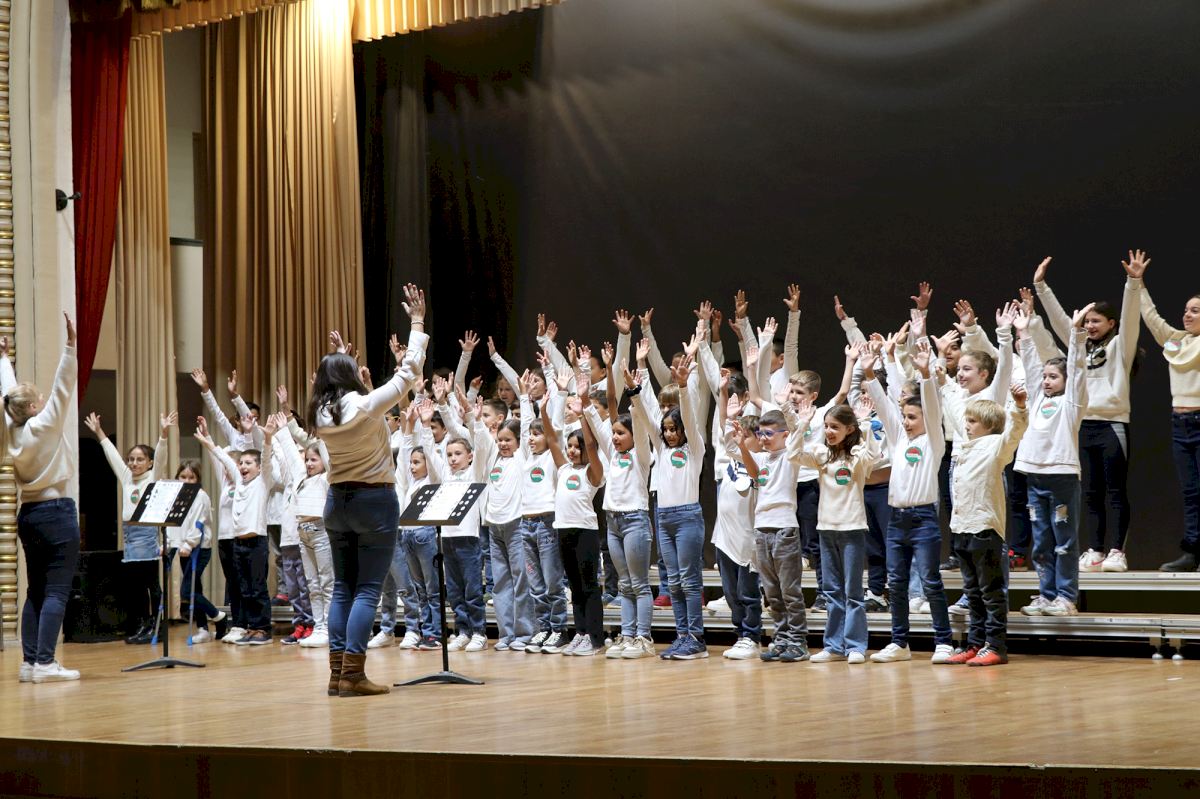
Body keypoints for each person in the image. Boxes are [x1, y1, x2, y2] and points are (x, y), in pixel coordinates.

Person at [308, 284, 427, 697]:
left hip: (336, 501)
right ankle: (354, 674)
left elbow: (345, 392)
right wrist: (416, 323)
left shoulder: (320, 413)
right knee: (367, 589)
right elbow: (407, 375)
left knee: (342, 587)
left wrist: (343, 360)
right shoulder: (365, 406)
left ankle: (336, 673)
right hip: (374, 500)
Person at [1035, 256, 1142, 573]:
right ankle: (1095, 550)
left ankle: (1116, 551)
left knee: (1115, 491)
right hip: (1084, 426)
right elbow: (1061, 324)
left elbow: (1131, 317)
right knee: (1091, 492)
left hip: (1112, 425)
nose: (1090, 325)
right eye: (1087, 321)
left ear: (1111, 324)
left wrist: (1133, 283)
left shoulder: (1121, 347)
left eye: (1097, 321)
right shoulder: (1079, 349)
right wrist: (1041, 287)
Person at [862, 339, 954, 664]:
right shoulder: (898, 437)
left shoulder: (934, 441)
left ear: (926, 418)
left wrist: (926, 375)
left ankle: (944, 642)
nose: (906, 421)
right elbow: (884, 403)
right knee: (897, 584)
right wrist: (870, 373)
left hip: (923, 520)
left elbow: (932, 405)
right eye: (904, 416)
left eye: (912, 416)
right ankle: (900, 643)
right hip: (896, 521)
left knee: (930, 581)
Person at [0, 315, 82, 682]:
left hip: (28, 514)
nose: (44, 400)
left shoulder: (10, 430)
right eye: (39, 399)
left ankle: (30, 662)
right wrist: (70, 346)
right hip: (57, 512)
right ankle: (46, 663)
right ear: (33, 408)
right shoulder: (45, 424)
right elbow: (64, 384)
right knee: (57, 591)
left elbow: (10, 394)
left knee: (34, 590)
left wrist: (4, 360)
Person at [1127, 253, 1200, 571]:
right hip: (1180, 424)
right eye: (1186, 310)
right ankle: (1193, 552)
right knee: (1190, 492)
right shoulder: (1177, 341)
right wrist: (1138, 282)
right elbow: (1152, 317)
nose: (1187, 315)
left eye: (1195, 310)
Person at [1015, 305, 1089, 617]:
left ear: (1066, 381)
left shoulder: (1072, 405)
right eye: (1045, 377)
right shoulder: (1037, 400)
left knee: (1064, 541)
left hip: (1062, 478)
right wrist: (1023, 333)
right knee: (1042, 542)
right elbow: (1031, 368)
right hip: (1035, 478)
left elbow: (1078, 371)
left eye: (1053, 377)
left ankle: (1066, 598)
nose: (1046, 381)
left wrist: (1076, 334)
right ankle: (1046, 596)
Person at [946, 388, 1029, 666]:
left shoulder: (996, 446)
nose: (967, 425)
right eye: (967, 420)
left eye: (973, 421)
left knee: (992, 593)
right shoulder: (965, 448)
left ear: (990, 425)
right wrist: (941, 381)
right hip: (961, 529)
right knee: (972, 593)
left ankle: (995, 646)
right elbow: (953, 408)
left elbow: (1015, 432)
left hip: (985, 530)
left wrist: (1019, 407)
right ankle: (975, 643)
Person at [85, 409, 174, 644]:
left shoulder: (152, 477)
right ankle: (143, 624)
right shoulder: (126, 477)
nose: (134, 463)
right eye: (131, 459)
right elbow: (112, 454)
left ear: (149, 463)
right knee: (136, 586)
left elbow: (161, 456)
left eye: (140, 459)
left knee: (151, 584)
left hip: (146, 534)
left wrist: (164, 434)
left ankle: (157, 626)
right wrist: (99, 432)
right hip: (130, 535)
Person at [194, 415, 275, 646]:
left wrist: (267, 439)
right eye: (241, 463)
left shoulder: (263, 482)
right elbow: (223, 459)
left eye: (248, 463)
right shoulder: (239, 482)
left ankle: (263, 629)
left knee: (257, 589)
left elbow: (266, 459)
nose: (243, 467)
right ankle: (250, 627)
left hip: (256, 542)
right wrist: (208, 443)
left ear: (259, 468)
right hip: (238, 544)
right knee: (244, 589)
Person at [542, 373, 607, 656]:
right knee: (575, 587)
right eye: (570, 446)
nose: (571, 450)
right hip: (563, 530)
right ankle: (580, 633)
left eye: (576, 446)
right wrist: (543, 411)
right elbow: (550, 439)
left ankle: (595, 638)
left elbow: (591, 446)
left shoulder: (593, 472)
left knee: (589, 586)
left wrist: (582, 416)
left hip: (585, 532)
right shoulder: (564, 468)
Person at [169, 460, 226, 643]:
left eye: (191, 477)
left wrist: (189, 543)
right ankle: (203, 629)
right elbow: (173, 524)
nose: (187, 481)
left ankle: (218, 616)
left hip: (199, 549)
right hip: (183, 549)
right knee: (195, 589)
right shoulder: (177, 497)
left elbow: (198, 524)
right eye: (183, 477)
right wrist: (170, 544)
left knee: (187, 591)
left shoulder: (201, 496)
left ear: (198, 479)